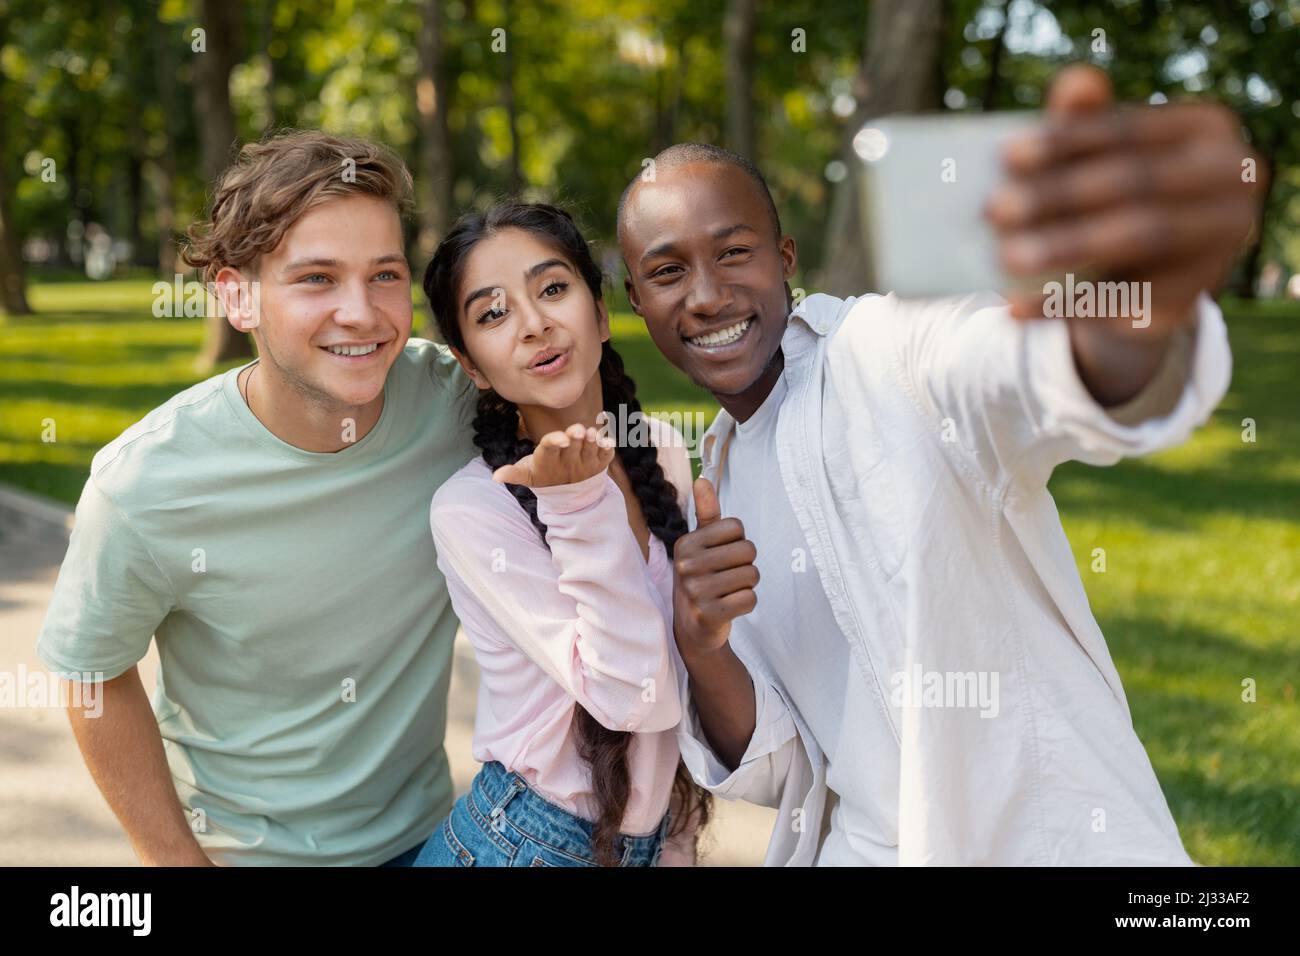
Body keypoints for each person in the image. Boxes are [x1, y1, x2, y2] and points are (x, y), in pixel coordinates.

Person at [615, 65, 1263, 865]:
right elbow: (784, 766)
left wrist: (1118, 323)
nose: (707, 295)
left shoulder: (892, 346)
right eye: (668, 271)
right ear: (638, 301)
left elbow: (1013, 372)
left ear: (785, 255)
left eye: (734, 252)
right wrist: (702, 642)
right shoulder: (717, 485)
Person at [35, 131, 482, 866]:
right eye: (316, 279)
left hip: (431, 841)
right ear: (235, 294)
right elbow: (90, 673)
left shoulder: (452, 402)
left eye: (385, 275)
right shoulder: (145, 484)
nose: (362, 313)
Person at [412, 201, 710, 867]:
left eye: (552, 289)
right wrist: (575, 501)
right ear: (474, 367)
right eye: (493, 313)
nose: (534, 324)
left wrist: (673, 845)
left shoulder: (657, 451)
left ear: (600, 315)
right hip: (519, 846)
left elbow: (678, 695)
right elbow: (630, 694)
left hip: (635, 843)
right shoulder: (471, 509)